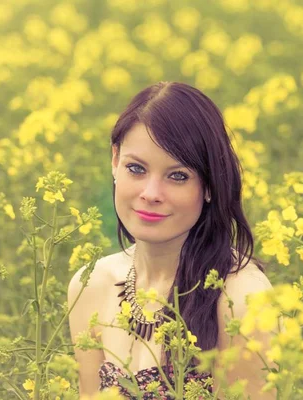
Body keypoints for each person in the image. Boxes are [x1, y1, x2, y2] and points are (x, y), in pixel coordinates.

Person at [67, 81, 276, 399]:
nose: (150, 194)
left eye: (177, 176)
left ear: (209, 186)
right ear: (114, 162)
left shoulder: (242, 299)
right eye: (136, 169)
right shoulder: (90, 285)